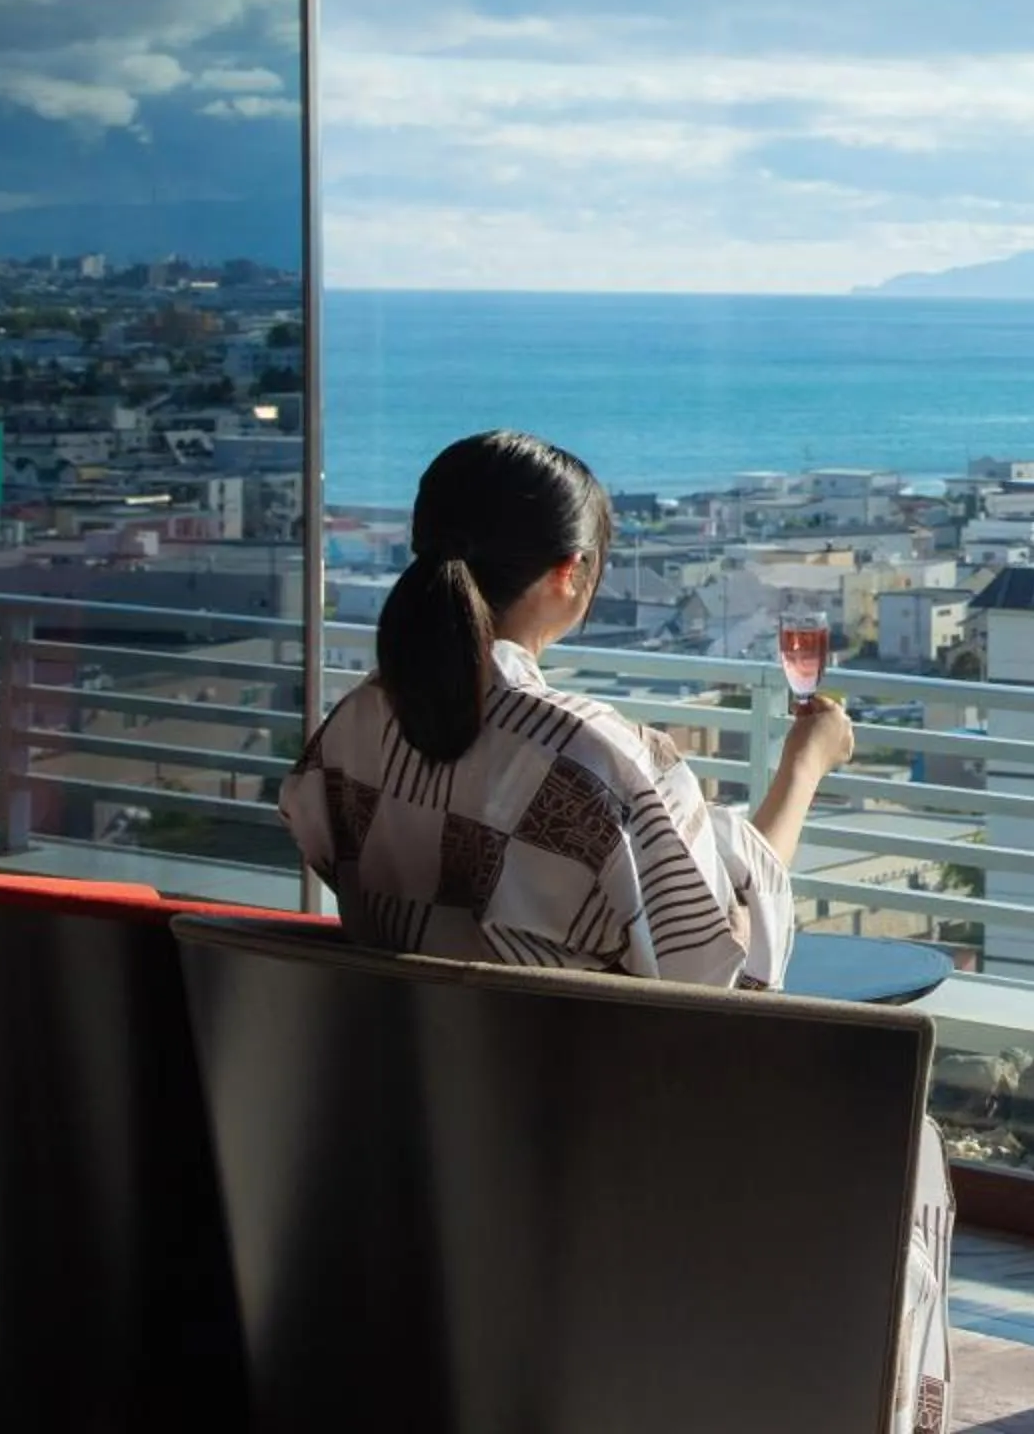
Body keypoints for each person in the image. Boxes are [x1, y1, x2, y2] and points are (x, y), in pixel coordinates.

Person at [280, 429, 953, 1434]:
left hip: (408, 1152)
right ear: (568, 576)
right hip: (593, 1168)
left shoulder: (350, 731)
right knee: (916, 1147)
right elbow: (728, 969)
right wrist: (806, 766)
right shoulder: (599, 756)